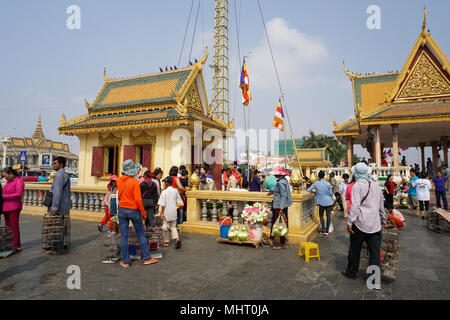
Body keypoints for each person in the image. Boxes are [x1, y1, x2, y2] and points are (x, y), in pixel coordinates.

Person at [342, 162, 387, 288]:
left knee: (354, 249)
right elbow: (381, 205)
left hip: (360, 224)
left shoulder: (357, 186)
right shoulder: (376, 186)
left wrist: (350, 222)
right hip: (374, 224)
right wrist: (383, 218)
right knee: (375, 253)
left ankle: (351, 273)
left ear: (356, 174)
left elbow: (355, 206)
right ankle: (374, 281)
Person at [117, 160, 158, 267]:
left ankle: (125, 261)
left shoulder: (118, 180)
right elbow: (138, 200)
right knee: (140, 234)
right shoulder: (135, 182)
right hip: (133, 210)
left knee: (124, 236)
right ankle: (147, 258)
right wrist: (144, 213)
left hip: (122, 209)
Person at [44, 157, 71, 256]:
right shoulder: (64, 174)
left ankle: (56, 248)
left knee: (56, 227)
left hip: (59, 206)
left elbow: (57, 192)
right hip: (63, 204)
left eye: (55, 163)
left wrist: (54, 207)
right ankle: (60, 244)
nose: (53, 165)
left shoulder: (59, 175)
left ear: (61, 164)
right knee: (61, 226)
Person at [267, 167, 291, 249]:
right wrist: (273, 192)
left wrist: (281, 208)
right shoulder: (284, 181)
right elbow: (282, 192)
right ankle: (278, 241)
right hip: (280, 204)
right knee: (279, 223)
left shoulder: (281, 182)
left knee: (277, 223)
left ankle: (275, 240)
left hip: (279, 205)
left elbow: (283, 196)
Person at [1, 167, 24, 253]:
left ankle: (16, 245)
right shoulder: (8, 182)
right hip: (6, 206)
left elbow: (18, 194)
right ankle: (10, 243)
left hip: (14, 206)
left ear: (11, 174)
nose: (5, 178)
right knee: (8, 227)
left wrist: (4, 197)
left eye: (5, 176)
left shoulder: (19, 181)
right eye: (3, 177)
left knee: (14, 226)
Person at [158, 176, 182, 249]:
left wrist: (162, 213)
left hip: (166, 211)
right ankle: (177, 239)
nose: (164, 184)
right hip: (173, 211)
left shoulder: (164, 192)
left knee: (165, 227)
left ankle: (166, 241)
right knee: (173, 226)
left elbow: (162, 204)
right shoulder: (175, 191)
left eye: (165, 182)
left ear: (166, 183)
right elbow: (180, 202)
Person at [307, 171, 334, 236]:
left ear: (318, 176)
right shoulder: (328, 183)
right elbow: (331, 193)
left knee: (321, 216)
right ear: (324, 176)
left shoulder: (316, 183)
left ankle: (323, 229)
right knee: (328, 216)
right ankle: (327, 230)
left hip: (321, 202)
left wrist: (315, 192)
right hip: (329, 202)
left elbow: (308, 190)